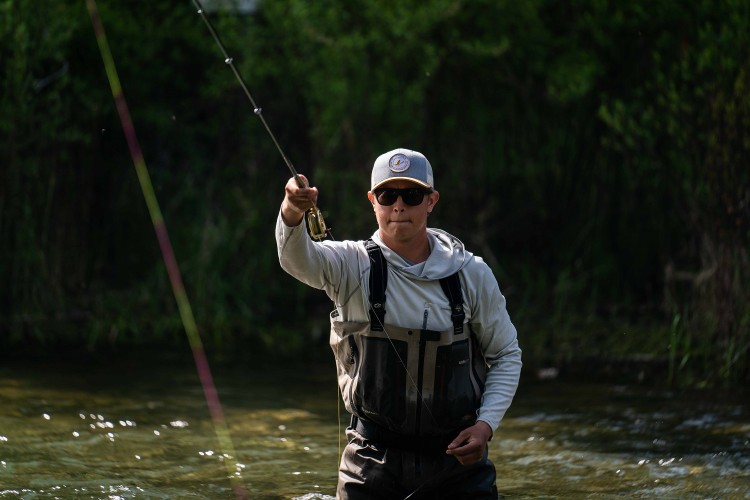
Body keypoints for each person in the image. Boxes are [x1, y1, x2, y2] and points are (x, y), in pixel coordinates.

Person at [276, 148, 522, 499]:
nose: (399, 206)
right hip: (370, 462)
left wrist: (485, 426)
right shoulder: (350, 265)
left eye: (412, 195)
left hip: (457, 466)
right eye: (388, 195)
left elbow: (506, 355)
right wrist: (292, 211)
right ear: (372, 200)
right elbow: (295, 259)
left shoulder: (471, 273)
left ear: (431, 200)